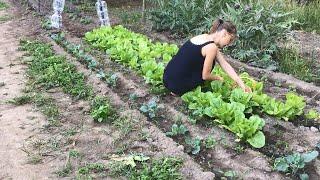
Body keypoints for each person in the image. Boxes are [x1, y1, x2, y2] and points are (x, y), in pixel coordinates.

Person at [163, 18, 252, 96]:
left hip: (167, 77)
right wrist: (219, 78)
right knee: (209, 67)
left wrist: (241, 84)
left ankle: (176, 87)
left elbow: (224, 64)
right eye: (230, 39)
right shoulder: (211, 47)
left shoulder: (205, 37)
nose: (229, 43)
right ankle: (180, 89)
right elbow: (205, 76)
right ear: (224, 33)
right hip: (177, 85)